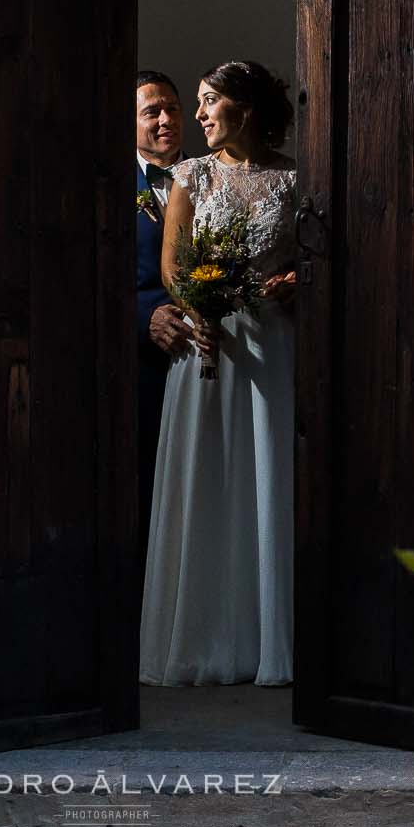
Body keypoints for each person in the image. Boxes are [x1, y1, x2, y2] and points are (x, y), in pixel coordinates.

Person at [138, 59, 299, 687]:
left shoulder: (293, 179)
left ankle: (267, 641)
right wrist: (201, 303)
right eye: (196, 102)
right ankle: (201, 635)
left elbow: (316, 257)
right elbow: (173, 265)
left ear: (246, 110)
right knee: (208, 478)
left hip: (272, 344)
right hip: (208, 344)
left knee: (267, 476)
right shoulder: (191, 177)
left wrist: (295, 285)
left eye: (209, 102)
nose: (197, 115)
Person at [135, 71, 199, 537]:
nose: (165, 120)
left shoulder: (212, 179)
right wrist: (146, 318)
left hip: (207, 354)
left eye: (172, 108)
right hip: (141, 368)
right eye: (150, 111)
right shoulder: (102, 188)